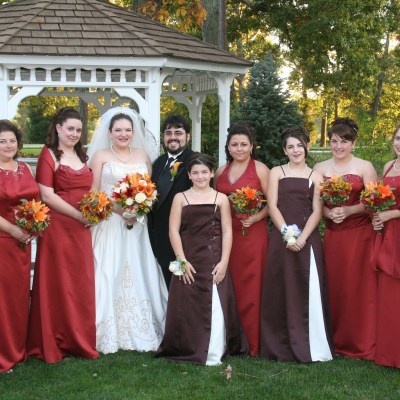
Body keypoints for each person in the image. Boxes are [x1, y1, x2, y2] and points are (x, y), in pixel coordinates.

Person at [88, 107, 168, 353]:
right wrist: (118, 210)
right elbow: (93, 193)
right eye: (118, 130)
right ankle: (104, 328)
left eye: (128, 130)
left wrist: (138, 208)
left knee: (139, 267)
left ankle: (144, 325)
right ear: (109, 133)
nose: (123, 134)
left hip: (137, 224)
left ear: (134, 132)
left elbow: (150, 189)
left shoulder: (143, 154)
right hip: (110, 222)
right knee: (108, 269)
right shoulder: (100, 156)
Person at [156, 153, 248, 365]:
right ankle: (187, 345)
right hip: (188, 258)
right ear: (189, 175)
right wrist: (181, 260)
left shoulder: (220, 198)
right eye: (195, 173)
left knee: (214, 303)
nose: (200, 176)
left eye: (204, 172)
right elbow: (173, 230)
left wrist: (224, 262)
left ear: (211, 173)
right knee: (187, 304)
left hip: (213, 258)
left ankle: (214, 349)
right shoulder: (180, 198)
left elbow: (227, 231)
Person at [27, 107, 99, 363]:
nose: (74, 134)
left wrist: (94, 210)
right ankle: (55, 339)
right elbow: (47, 195)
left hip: (81, 230)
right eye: (70, 129)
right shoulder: (48, 154)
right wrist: (79, 215)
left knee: (79, 284)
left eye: (78, 130)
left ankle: (77, 339)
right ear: (58, 128)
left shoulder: (81, 154)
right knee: (58, 283)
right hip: (58, 228)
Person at [260, 126, 333, 362]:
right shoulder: (277, 172)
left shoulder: (316, 176)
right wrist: (287, 235)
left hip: (308, 239)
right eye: (290, 146)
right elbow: (272, 205)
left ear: (307, 147)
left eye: (300, 145)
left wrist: (301, 238)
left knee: (306, 286)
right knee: (280, 286)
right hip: (281, 238)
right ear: (284, 150)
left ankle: (311, 344)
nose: (296, 150)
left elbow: (317, 210)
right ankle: (278, 343)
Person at [314, 117, 378, 360]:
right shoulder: (319, 168)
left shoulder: (365, 167)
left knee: (358, 286)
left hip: (360, 235)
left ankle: (360, 339)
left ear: (353, 143)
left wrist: (349, 210)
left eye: (344, 141)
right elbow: (314, 204)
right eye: (334, 141)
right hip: (333, 236)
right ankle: (335, 338)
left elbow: (374, 201)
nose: (338, 146)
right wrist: (328, 213)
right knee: (336, 284)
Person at [215, 124, 269, 356]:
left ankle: (253, 341)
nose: (239, 149)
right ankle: (231, 337)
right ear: (228, 147)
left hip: (253, 234)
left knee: (252, 285)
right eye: (234, 144)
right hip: (227, 235)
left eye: (243, 144)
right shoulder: (220, 172)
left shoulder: (261, 169)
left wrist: (255, 217)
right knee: (230, 284)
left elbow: (272, 204)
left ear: (251, 146)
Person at [0, 120, 38, 373]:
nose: (8, 145)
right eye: (2, 141)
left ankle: (17, 350)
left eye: (12, 140)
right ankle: (4, 355)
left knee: (18, 298)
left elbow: (35, 201)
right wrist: (13, 230)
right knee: (2, 300)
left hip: (23, 243)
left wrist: (34, 225)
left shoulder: (25, 167)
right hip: (3, 241)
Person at [149, 115, 194, 288]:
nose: (173, 137)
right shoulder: (158, 163)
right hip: (157, 238)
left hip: (183, 240)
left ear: (188, 136)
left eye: (178, 133)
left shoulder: (195, 162)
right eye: (168, 133)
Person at [371, 125, 400, 368]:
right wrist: (378, 216)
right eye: (398, 138)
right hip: (389, 234)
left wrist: (392, 214)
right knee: (390, 292)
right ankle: (389, 352)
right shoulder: (389, 166)